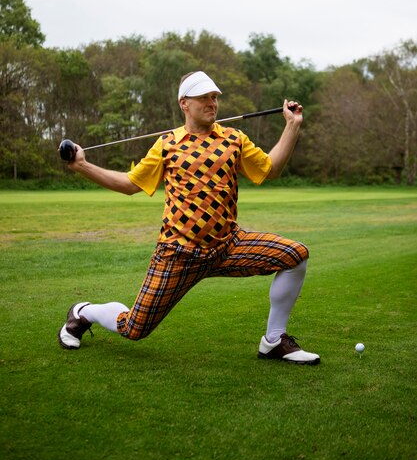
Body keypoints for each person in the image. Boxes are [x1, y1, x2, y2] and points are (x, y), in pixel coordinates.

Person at [58, 71, 320, 365]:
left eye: (215, 97)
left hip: (227, 247)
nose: (212, 103)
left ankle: (274, 341)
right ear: (184, 103)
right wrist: (82, 166)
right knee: (133, 328)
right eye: (204, 97)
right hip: (177, 254)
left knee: (295, 254)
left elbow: (270, 169)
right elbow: (129, 184)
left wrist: (292, 127)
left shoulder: (234, 139)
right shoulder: (167, 145)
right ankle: (84, 311)